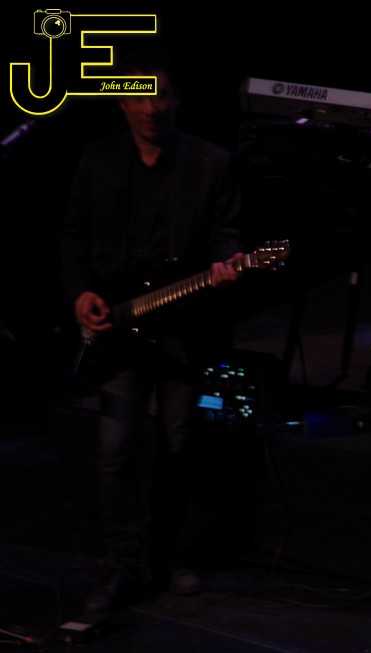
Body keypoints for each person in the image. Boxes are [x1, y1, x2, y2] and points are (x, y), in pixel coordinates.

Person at [58, 46, 244, 613]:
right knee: (116, 450)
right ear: (120, 102)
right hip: (119, 328)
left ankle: (170, 554)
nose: (149, 108)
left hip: (182, 329)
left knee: (180, 446)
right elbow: (73, 236)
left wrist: (227, 263)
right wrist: (81, 293)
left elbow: (225, 234)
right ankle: (124, 559)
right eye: (138, 97)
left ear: (175, 100)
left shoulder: (211, 163)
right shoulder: (98, 160)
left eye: (158, 96)